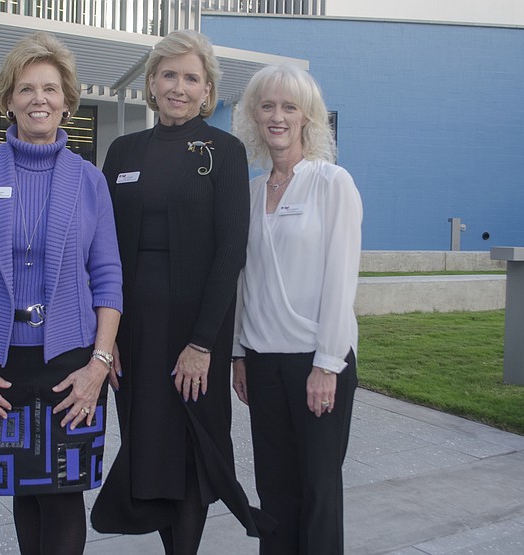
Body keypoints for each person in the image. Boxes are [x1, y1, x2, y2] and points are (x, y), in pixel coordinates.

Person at [0, 32, 122, 555]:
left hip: (71, 362)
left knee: (63, 497)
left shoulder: (88, 180)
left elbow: (108, 278)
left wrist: (99, 365)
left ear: (67, 100)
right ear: (7, 100)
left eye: (50, 88)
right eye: (25, 89)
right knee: (23, 489)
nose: (38, 99)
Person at [91, 29, 274, 553]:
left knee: (192, 443)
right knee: (148, 440)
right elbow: (102, 253)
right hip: (133, 330)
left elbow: (230, 253)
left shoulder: (225, 151)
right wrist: (109, 339)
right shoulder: (123, 151)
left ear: (207, 91)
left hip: (196, 330)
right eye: (168, 75)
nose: (178, 86)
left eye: (191, 78)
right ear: (151, 84)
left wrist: (202, 344)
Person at [231, 64, 363, 555]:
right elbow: (244, 277)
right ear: (254, 115)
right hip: (262, 363)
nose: (278, 116)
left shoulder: (332, 183)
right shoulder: (249, 191)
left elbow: (340, 279)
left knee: (318, 491)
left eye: (289, 107)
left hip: (316, 362)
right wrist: (238, 352)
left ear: (308, 117)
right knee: (274, 492)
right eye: (267, 105)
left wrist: (328, 364)